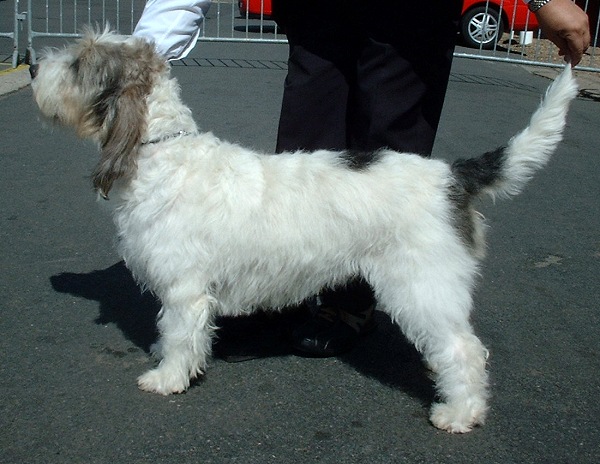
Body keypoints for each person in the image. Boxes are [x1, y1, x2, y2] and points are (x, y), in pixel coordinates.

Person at [133, 0, 590, 356]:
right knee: (301, 163)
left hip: (408, 15)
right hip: (320, 14)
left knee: (392, 163)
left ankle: (350, 306)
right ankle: (271, 294)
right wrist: (143, 52)